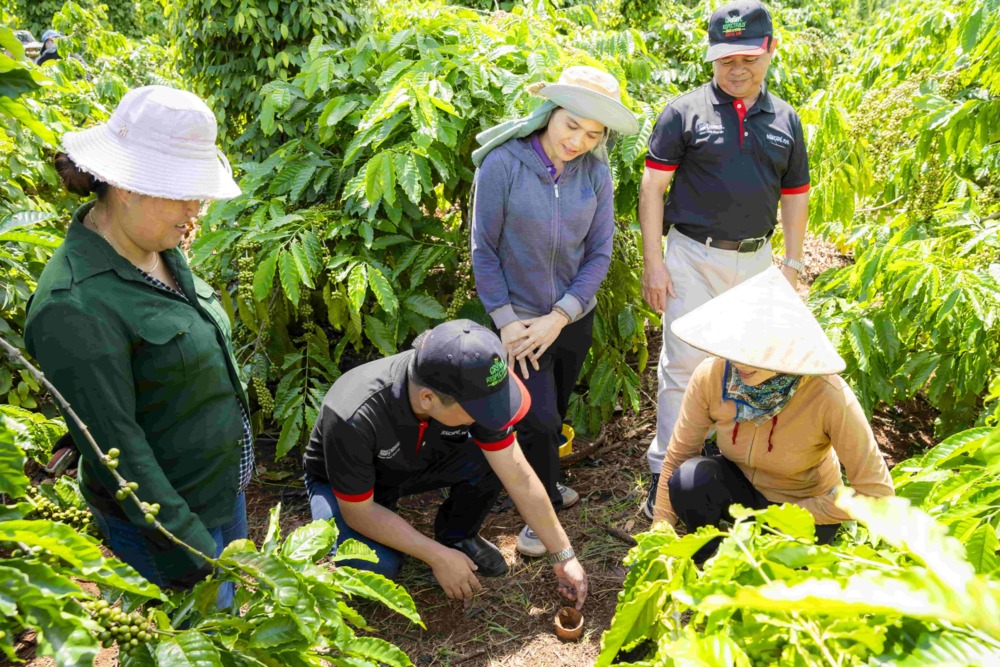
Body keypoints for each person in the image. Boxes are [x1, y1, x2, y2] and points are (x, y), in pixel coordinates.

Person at [24, 86, 247, 607]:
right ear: (129, 187)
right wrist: (191, 548)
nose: (196, 208)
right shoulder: (74, 306)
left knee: (231, 621)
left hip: (217, 488)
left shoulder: (156, 245)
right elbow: (118, 451)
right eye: (184, 192)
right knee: (191, 640)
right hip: (169, 523)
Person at [639, 0, 812, 518]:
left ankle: (725, 467)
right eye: (725, 59)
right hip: (692, 254)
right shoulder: (682, 112)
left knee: (748, 366)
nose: (737, 69)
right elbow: (653, 188)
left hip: (757, 262)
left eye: (748, 58)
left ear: (770, 50)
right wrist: (655, 262)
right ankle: (665, 473)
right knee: (684, 364)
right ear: (711, 58)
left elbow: (795, 194)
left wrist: (794, 263)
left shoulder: (786, 119)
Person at [470, 66, 639, 557]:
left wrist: (562, 315)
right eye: (571, 126)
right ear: (550, 113)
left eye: (592, 134)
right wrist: (505, 323)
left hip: (570, 319)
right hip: (518, 322)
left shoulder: (597, 173)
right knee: (537, 417)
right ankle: (536, 514)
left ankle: (548, 479)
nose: (578, 141)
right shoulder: (502, 164)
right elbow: (484, 251)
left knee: (556, 406)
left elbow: (599, 254)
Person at [302, 320, 588, 608]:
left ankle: (458, 536)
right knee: (375, 567)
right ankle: (430, 546)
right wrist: (435, 555)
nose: (489, 416)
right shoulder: (354, 414)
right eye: (480, 410)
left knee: (498, 457)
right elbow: (359, 512)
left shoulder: (468, 384)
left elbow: (519, 475)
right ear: (428, 399)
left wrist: (564, 555)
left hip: (414, 460)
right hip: (350, 488)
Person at [652, 267, 894, 558]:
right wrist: (659, 537)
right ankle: (710, 566)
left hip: (803, 506)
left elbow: (877, 494)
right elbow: (678, 455)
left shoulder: (828, 395)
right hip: (741, 491)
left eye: (756, 352)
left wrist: (789, 515)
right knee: (688, 479)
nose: (740, 362)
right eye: (736, 348)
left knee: (776, 573)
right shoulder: (712, 376)